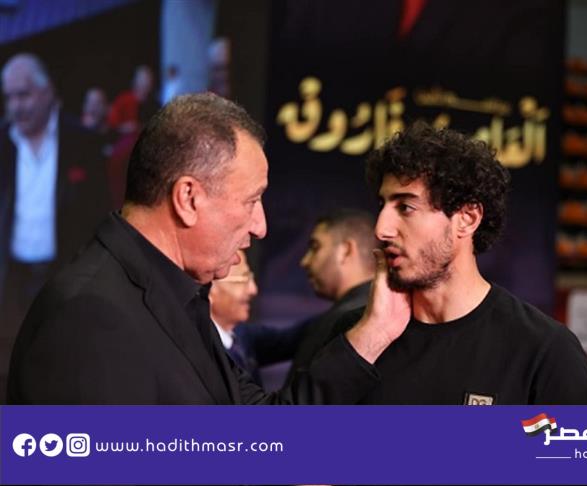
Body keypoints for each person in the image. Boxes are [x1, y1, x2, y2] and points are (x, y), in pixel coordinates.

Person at [7, 93, 410, 405]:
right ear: (188, 198)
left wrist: (373, 334)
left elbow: (260, 434)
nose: (260, 226)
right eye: (252, 200)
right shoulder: (90, 317)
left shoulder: (179, 297)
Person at [334, 121, 587, 404]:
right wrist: (370, 336)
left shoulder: (544, 351)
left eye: (405, 207)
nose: (381, 229)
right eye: (382, 205)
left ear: (467, 219)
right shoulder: (355, 337)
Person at [0, 53, 109, 403]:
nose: (16, 106)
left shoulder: (83, 143)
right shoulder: (2, 143)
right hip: (12, 279)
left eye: (24, 94)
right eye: (9, 97)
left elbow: (101, 215)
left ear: (47, 91)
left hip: (63, 275)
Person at [285, 209, 376, 385]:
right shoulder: (377, 314)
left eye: (315, 247)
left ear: (346, 251)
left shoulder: (343, 320)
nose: (305, 261)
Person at [210, 249, 306, 386]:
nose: (253, 290)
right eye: (243, 280)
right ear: (209, 290)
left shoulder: (241, 335)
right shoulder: (200, 351)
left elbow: (296, 337)